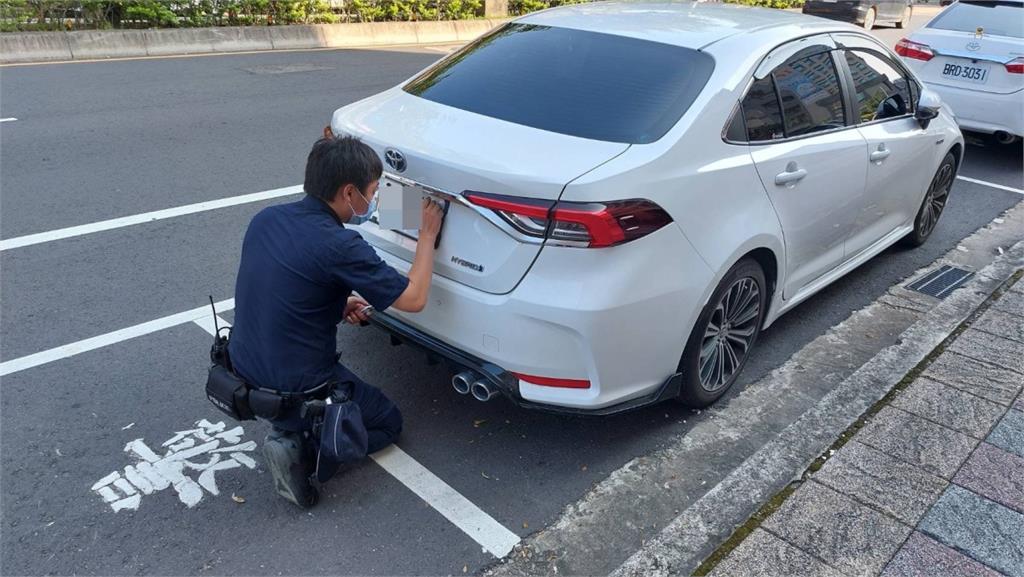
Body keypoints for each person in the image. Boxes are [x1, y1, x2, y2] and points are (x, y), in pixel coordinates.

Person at [228, 136, 444, 507]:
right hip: (298, 385)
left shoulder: (266, 219)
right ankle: (304, 450)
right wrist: (427, 234)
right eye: (374, 192)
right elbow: (415, 298)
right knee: (388, 423)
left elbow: (285, 285)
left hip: (242, 366)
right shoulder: (340, 245)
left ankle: (293, 425)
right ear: (349, 193)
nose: (374, 200)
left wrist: (336, 302)